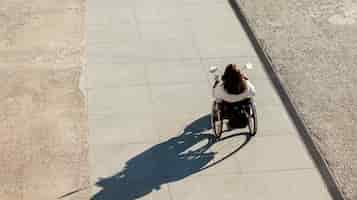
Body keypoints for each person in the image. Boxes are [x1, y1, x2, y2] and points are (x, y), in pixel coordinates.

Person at [213, 64, 256, 128]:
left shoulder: (221, 87)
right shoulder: (246, 85)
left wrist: (216, 83)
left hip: (228, 106)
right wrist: (247, 79)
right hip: (242, 104)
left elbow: (215, 96)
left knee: (218, 101)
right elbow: (253, 92)